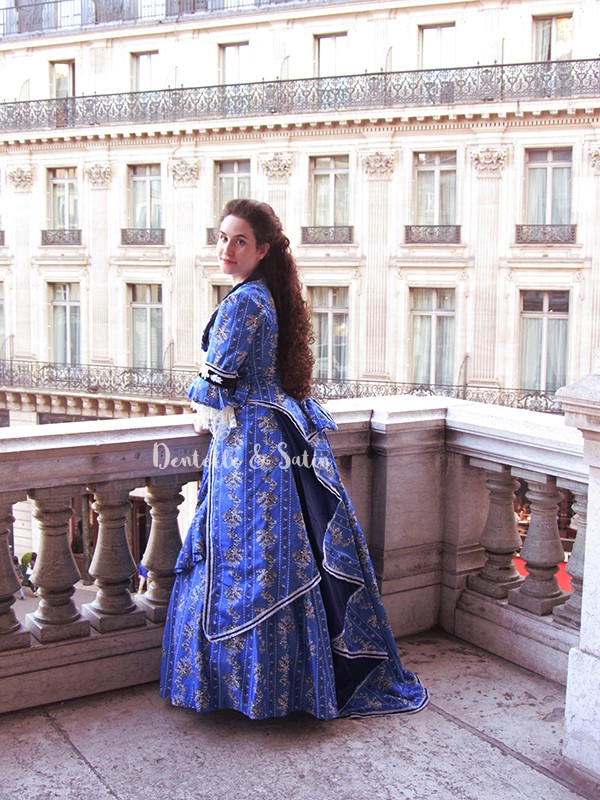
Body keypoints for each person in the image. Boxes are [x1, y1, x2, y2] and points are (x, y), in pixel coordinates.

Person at [160, 199, 429, 720]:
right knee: (281, 559)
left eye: (240, 241)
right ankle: (290, 684)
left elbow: (216, 384)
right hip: (281, 437)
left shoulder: (244, 303)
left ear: (262, 250)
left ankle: (250, 689)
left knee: (249, 563)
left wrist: (194, 390)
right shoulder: (269, 296)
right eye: (222, 238)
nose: (227, 249)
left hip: (251, 449)